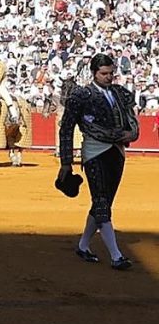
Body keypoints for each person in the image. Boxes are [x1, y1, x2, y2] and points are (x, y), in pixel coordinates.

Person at [58, 53, 138, 270]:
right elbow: (66, 128)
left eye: (111, 73)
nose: (109, 77)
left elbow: (132, 122)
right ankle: (116, 255)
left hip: (117, 152)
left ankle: (83, 246)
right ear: (94, 73)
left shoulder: (120, 93)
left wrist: (131, 134)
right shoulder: (81, 95)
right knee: (102, 202)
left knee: (103, 202)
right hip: (94, 153)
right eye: (104, 73)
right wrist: (66, 163)